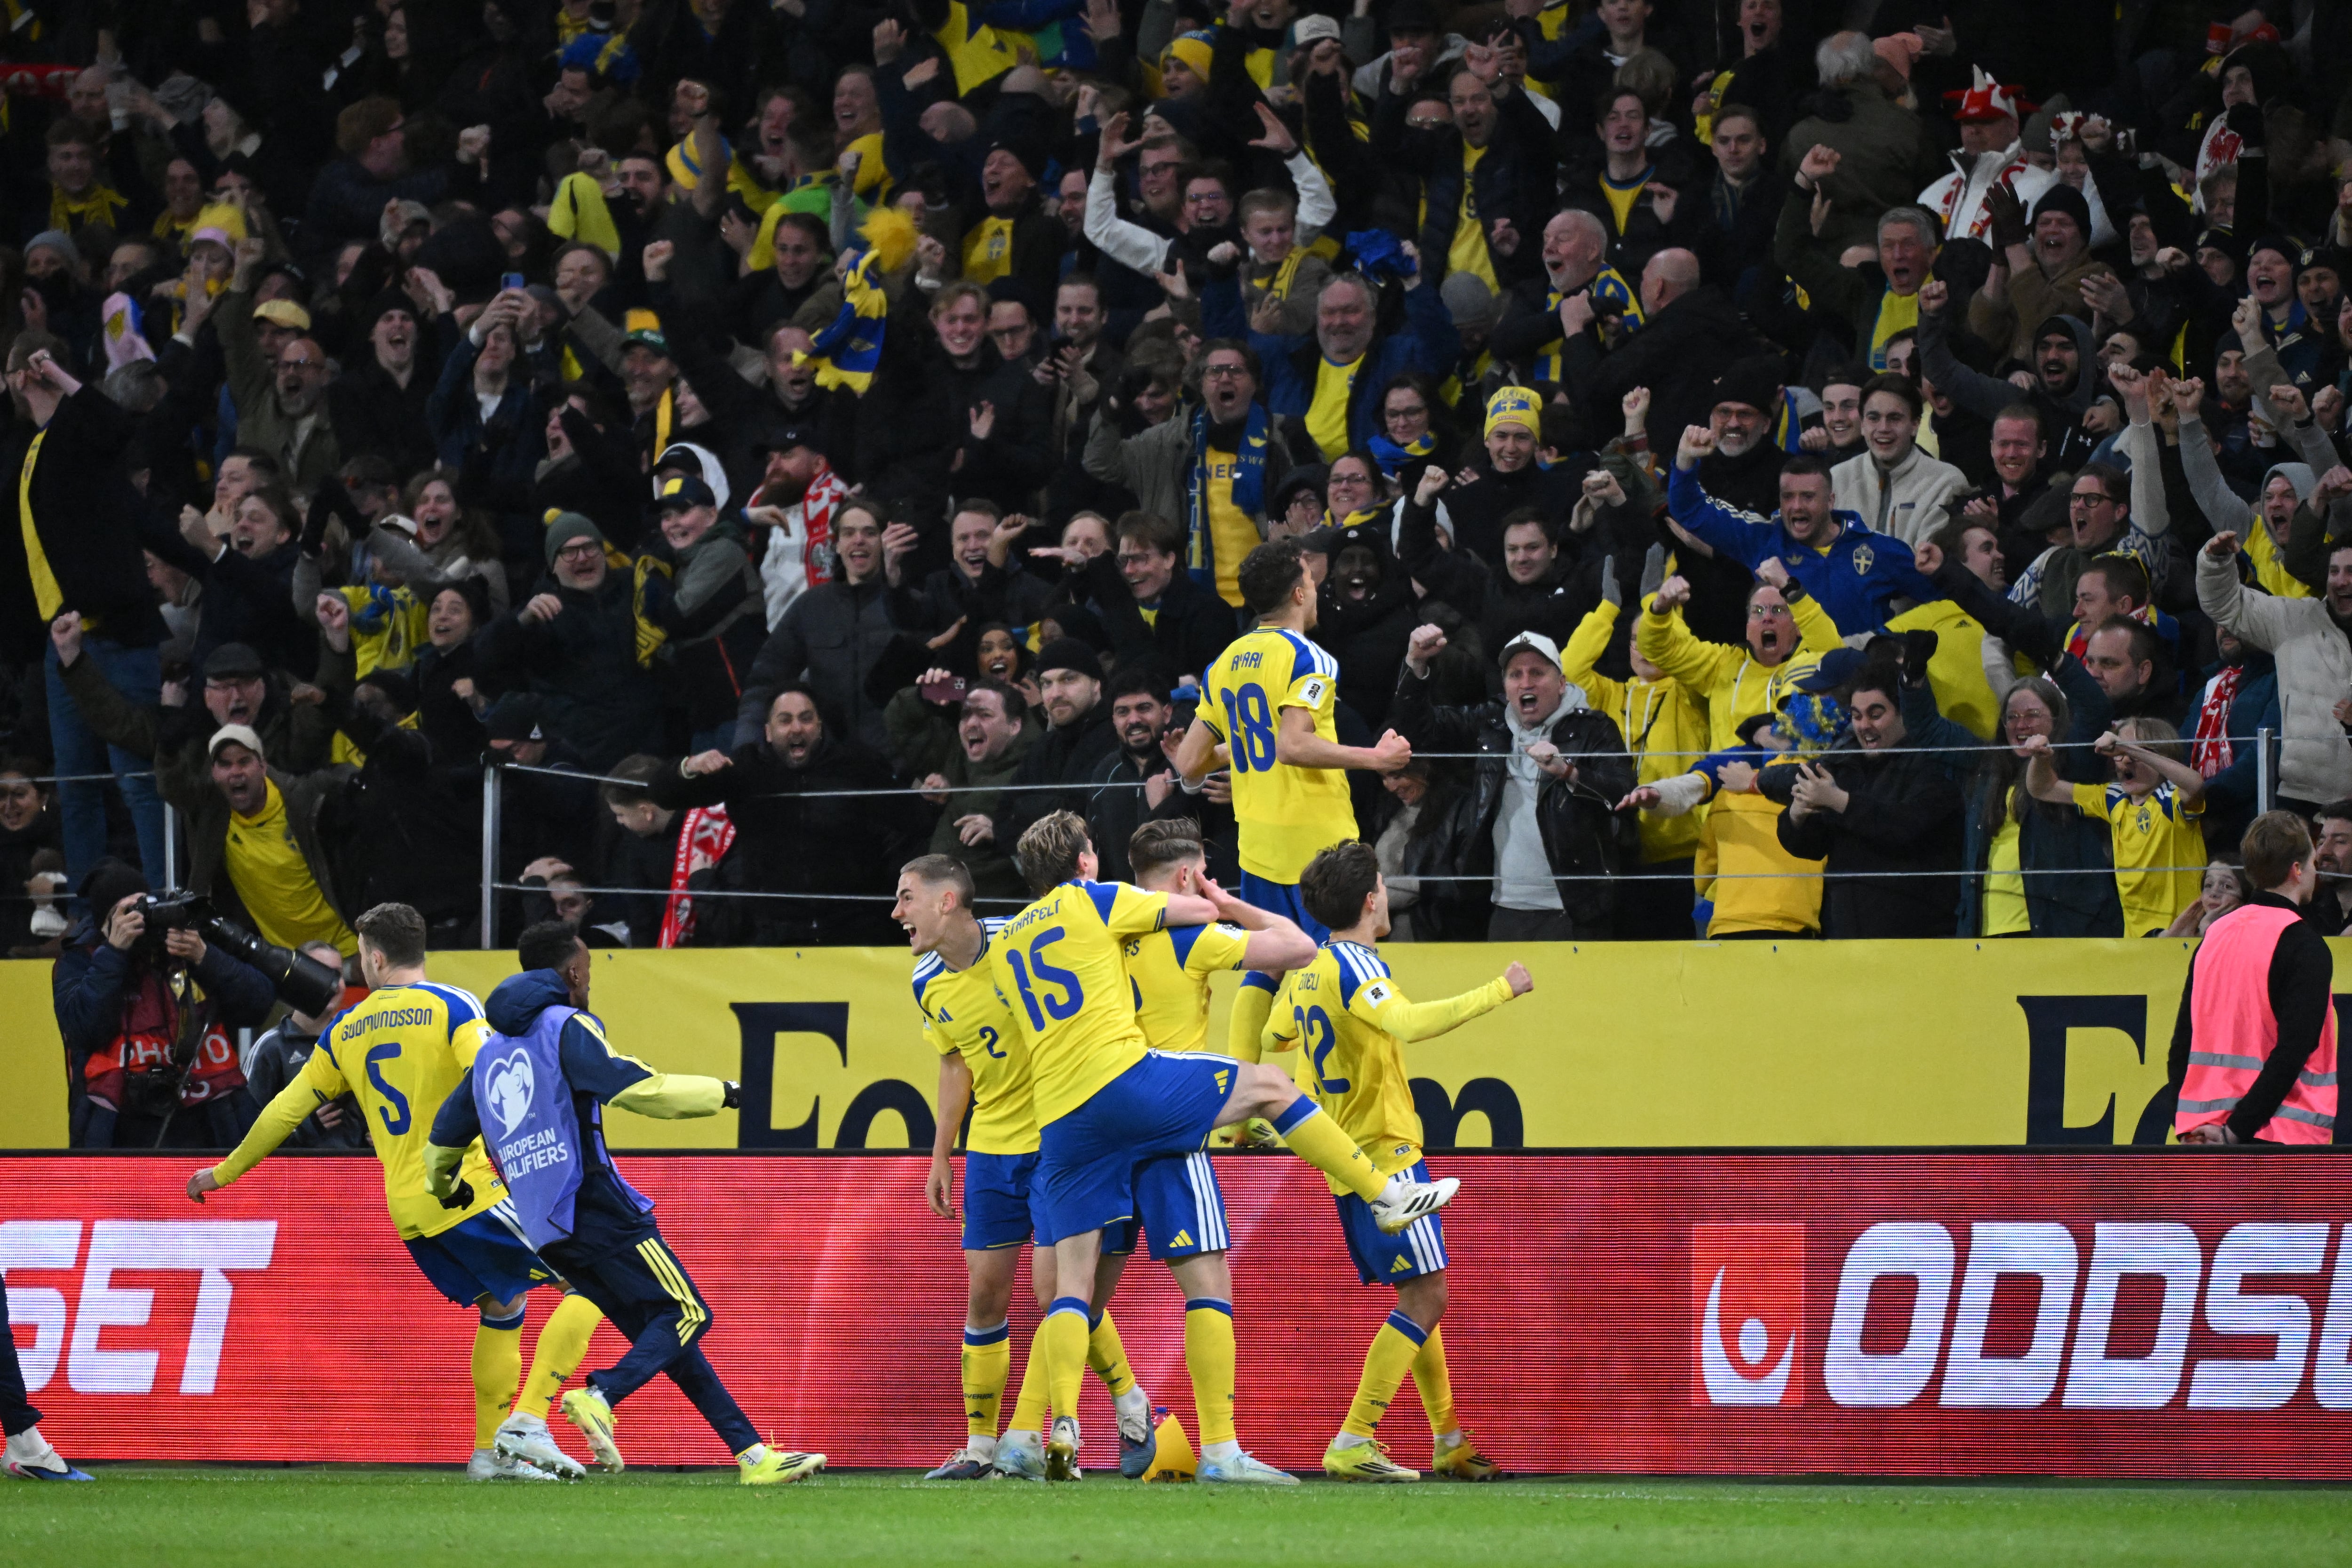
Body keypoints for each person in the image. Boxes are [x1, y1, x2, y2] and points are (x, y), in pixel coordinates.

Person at [991, 810, 1458, 1483]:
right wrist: (1226, 902)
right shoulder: (1169, 926)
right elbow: (1298, 948)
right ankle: (1221, 1448)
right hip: (1160, 1108)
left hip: (1069, 1117)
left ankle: (1025, 1434)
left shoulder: (1025, 940)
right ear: (1186, 876)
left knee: (1076, 1294)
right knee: (1209, 1277)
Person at [187, 902, 605, 1483]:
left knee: (503, 1307)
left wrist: (225, 1171)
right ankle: (528, 1424)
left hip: (409, 1210)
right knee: (597, 1279)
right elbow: (492, 1080)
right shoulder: (453, 1006)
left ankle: (490, 1455)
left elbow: (286, 1108)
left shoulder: (346, 1028)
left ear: (376, 957)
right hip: (466, 1191)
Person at [421, 920, 824, 1485]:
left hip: (545, 1226)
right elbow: (638, 1089)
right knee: (688, 1313)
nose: (589, 978)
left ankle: (753, 1456)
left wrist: (448, 1188)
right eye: (587, 968)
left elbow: (442, 1140)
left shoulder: (489, 1055)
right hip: (596, 1203)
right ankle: (602, 1394)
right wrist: (725, 1094)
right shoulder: (566, 1025)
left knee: (666, 1340)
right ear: (572, 972)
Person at [1265, 840, 1527, 1482]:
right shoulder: (1356, 964)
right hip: (1385, 1155)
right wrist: (1501, 989)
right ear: (1371, 900)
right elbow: (1407, 1023)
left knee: (1420, 1293)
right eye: (1382, 885)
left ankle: (1449, 1438)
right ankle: (1355, 1437)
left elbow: (1278, 1032)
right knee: (1428, 1294)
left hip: (1344, 1155)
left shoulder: (1308, 968)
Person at [894, 856, 1154, 1483]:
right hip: (992, 1148)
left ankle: (1122, 1401)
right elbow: (955, 1062)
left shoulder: (1021, 942)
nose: (896, 912)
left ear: (947, 901)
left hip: (1059, 1139)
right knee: (985, 1294)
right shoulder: (926, 981)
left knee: (1053, 1292)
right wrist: (941, 1152)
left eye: (906, 898)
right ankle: (980, 1447)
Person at [1179, 539, 1412, 1052]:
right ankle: (1323, 1089)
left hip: (1259, 846)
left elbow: (1188, 763)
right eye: (1310, 576)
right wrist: (1377, 759)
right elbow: (1292, 745)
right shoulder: (1311, 659)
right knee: (1341, 962)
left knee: (1263, 971)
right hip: (1321, 845)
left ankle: (1241, 1110)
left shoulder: (1224, 664)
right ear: (1299, 592)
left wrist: (1238, 743)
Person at [1391, 625, 1635, 940]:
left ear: (1562, 683)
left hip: (1576, 911)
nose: (1526, 682)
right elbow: (1417, 728)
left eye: (1537, 672)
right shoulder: (1492, 725)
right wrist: (1415, 663)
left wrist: (1569, 772)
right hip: (1503, 910)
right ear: (1505, 687)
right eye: (1515, 675)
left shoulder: (1594, 728)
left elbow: (1624, 794)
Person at [654, 685, 923, 947]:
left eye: (806, 719)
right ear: (768, 733)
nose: (797, 728)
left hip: (854, 931)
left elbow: (912, 819)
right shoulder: (746, 769)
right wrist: (688, 768)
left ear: (819, 727)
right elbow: (664, 795)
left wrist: (931, 796)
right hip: (773, 933)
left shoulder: (858, 767)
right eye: (785, 721)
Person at [54, 858, 277, 1150]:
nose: (140, 921)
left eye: (145, 907)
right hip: (118, 1122)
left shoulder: (185, 944)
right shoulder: (81, 959)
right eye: (127, 914)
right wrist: (114, 953)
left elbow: (258, 1005)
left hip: (209, 1115)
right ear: (104, 925)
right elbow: (83, 1029)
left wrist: (205, 958)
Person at [2167, 810, 2337, 1146]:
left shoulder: (2214, 937)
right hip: (2279, 1137)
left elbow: (2181, 1046)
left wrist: (2190, 1125)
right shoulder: (2303, 944)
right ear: (2297, 869)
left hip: (2205, 1135)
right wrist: (2236, 1131)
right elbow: (2293, 1051)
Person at [2023, 718, 2209, 938]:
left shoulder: (2173, 797)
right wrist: (2040, 759)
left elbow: (2195, 784)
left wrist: (2127, 748)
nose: (2126, 761)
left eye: (2137, 752)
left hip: (2181, 934)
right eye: (2119, 754)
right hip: (2135, 940)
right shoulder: (2113, 798)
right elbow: (2043, 788)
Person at [242, 942, 368, 1149]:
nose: (332, 983)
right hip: (292, 1177)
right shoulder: (270, 1046)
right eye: (319, 972)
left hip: (354, 1177)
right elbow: (245, 1129)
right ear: (294, 980)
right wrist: (302, 1130)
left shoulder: (356, 1043)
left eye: (337, 974)